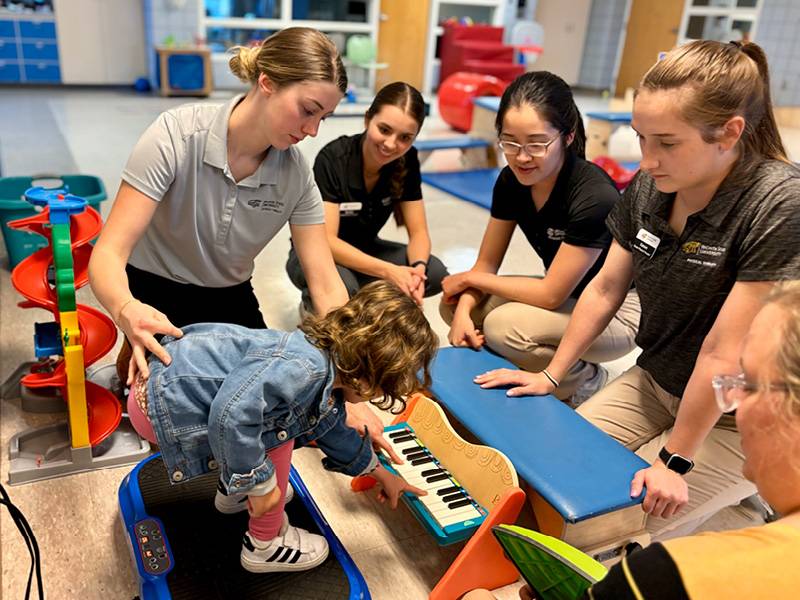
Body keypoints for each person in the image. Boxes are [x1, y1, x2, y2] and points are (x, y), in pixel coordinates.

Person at [475, 40, 800, 540]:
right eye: (640, 138)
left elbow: (721, 353)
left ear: (729, 133)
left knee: (605, 525)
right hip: (655, 380)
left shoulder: (778, 203)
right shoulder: (654, 186)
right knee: (543, 485)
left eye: (666, 143)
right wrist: (553, 374)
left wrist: (676, 460)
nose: (647, 160)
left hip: (740, 415)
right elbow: (605, 288)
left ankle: (751, 502)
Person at [464, 281, 800, 599]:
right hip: (655, 381)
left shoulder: (677, 573)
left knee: (616, 527)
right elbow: (605, 286)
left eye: (750, 384)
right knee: (553, 476)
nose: (734, 401)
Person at [88, 27, 349, 385]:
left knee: (265, 392)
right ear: (267, 82)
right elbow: (108, 253)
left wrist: (349, 368)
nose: (313, 130)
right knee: (162, 399)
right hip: (154, 285)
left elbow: (325, 283)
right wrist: (126, 308)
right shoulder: (176, 135)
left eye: (324, 118)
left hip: (228, 293)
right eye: (308, 110)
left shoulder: (295, 174)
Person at [126, 280, 439, 573]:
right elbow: (233, 415)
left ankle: (233, 493)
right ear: (370, 375)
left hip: (166, 387)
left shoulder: (323, 362)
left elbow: (331, 428)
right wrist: (262, 486)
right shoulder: (306, 370)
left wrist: (380, 473)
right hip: (163, 407)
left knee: (276, 423)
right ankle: (265, 543)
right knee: (278, 436)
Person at [439, 71, 640, 403]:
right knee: (454, 306)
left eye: (536, 144)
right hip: (567, 296)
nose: (521, 156)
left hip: (615, 311)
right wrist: (462, 312)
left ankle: (585, 379)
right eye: (510, 142)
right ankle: (518, 369)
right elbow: (487, 263)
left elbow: (549, 294)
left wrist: (470, 279)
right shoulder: (510, 181)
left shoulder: (594, 195)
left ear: (568, 137)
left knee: (505, 327)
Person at [286, 81, 448, 308]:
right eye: (384, 130)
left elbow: (419, 232)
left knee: (437, 273)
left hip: (366, 250)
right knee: (344, 286)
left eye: (405, 138)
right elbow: (327, 242)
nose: (391, 144)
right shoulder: (333, 159)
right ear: (367, 119)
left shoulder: (407, 160)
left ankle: (363, 302)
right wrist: (389, 272)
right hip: (316, 253)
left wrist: (417, 272)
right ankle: (315, 305)